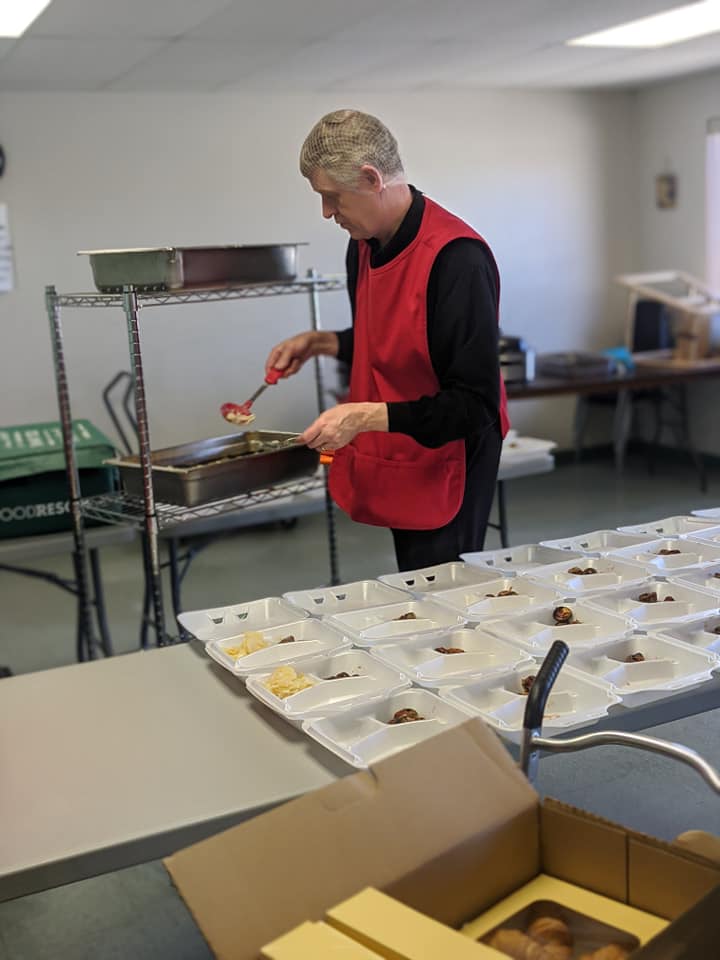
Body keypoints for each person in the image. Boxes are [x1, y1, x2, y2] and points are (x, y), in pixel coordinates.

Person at [266, 109, 509, 571]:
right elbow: (394, 340)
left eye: (332, 197)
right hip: (403, 442)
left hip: (451, 452)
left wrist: (364, 416)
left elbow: (474, 404)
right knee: (412, 582)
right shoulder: (364, 242)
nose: (326, 213)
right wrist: (322, 343)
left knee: (440, 588)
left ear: (371, 177)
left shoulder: (457, 260)